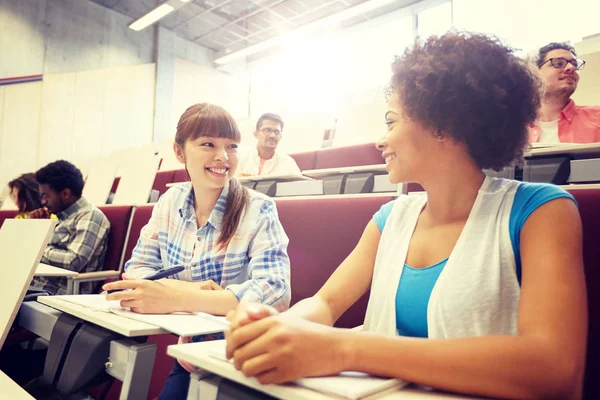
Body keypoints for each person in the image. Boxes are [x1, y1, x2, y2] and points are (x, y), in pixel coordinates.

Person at [225, 33, 587, 400]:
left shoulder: (542, 210)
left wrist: (348, 349)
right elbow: (326, 303)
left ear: (443, 126)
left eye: (391, 122)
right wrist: (271, 332)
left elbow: (555, 370)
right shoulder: (390, 217)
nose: (381, 141)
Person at [102, 103, 291, 399]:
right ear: (180, 152)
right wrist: (189, 292)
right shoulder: (170, 201)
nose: (222, 156)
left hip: (243, 360)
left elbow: (276, 290)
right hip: (190, 355)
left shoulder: (259, 208)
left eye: (231, 146)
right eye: (208, 144)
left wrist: (178, 296)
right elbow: (137, 269)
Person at [29, 160, 110, 295]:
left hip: (58, 294)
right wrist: (36, 228)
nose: (43, 202)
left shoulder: (90, 216)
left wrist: (37, 248)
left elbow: (73, 261)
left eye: (46, 196)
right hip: (39, 287)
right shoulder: (62, 217)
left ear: (65, 194)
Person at [530, 42, 600, 143]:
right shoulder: (513, 127)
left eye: (575, 64)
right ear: (535, 72)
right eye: (559, 63)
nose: (571, 67)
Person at [237, 113, 302, 176]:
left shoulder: (288, 162)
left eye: (277, 132)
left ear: (281, 136)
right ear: (255, 133)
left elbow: (300, 185)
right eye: (267, 130)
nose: (272, 135)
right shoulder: (240, 156)